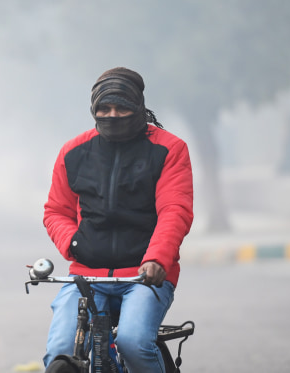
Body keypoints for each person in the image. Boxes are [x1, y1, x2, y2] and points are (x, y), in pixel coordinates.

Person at [42, 67, 194, 372]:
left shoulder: (169, 149)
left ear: (139, 107)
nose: (112, 115)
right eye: (105, 108)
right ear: (94, 109)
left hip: (143, 276)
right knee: (60, 351)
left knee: (133, 343)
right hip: (86, 276)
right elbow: (56, 211)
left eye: (122, 107)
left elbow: (175, 211)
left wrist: (157, 259)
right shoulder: (73, 151)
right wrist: (73, 243)